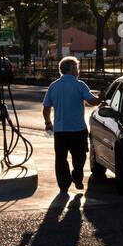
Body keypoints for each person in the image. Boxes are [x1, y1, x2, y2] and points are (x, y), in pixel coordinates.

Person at [42, 56, 101, 193]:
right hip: (78, 129)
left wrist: (48, 123)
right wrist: (102, 97)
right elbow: (93, 102)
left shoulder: (53, 86)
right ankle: (77, 176)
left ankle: (64, 185)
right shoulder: (79, 85)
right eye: (77, 67)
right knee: (80, 156)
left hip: (60, 130)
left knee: (61, 158)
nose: (78, 70)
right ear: (73, 68)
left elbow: (46, 108)